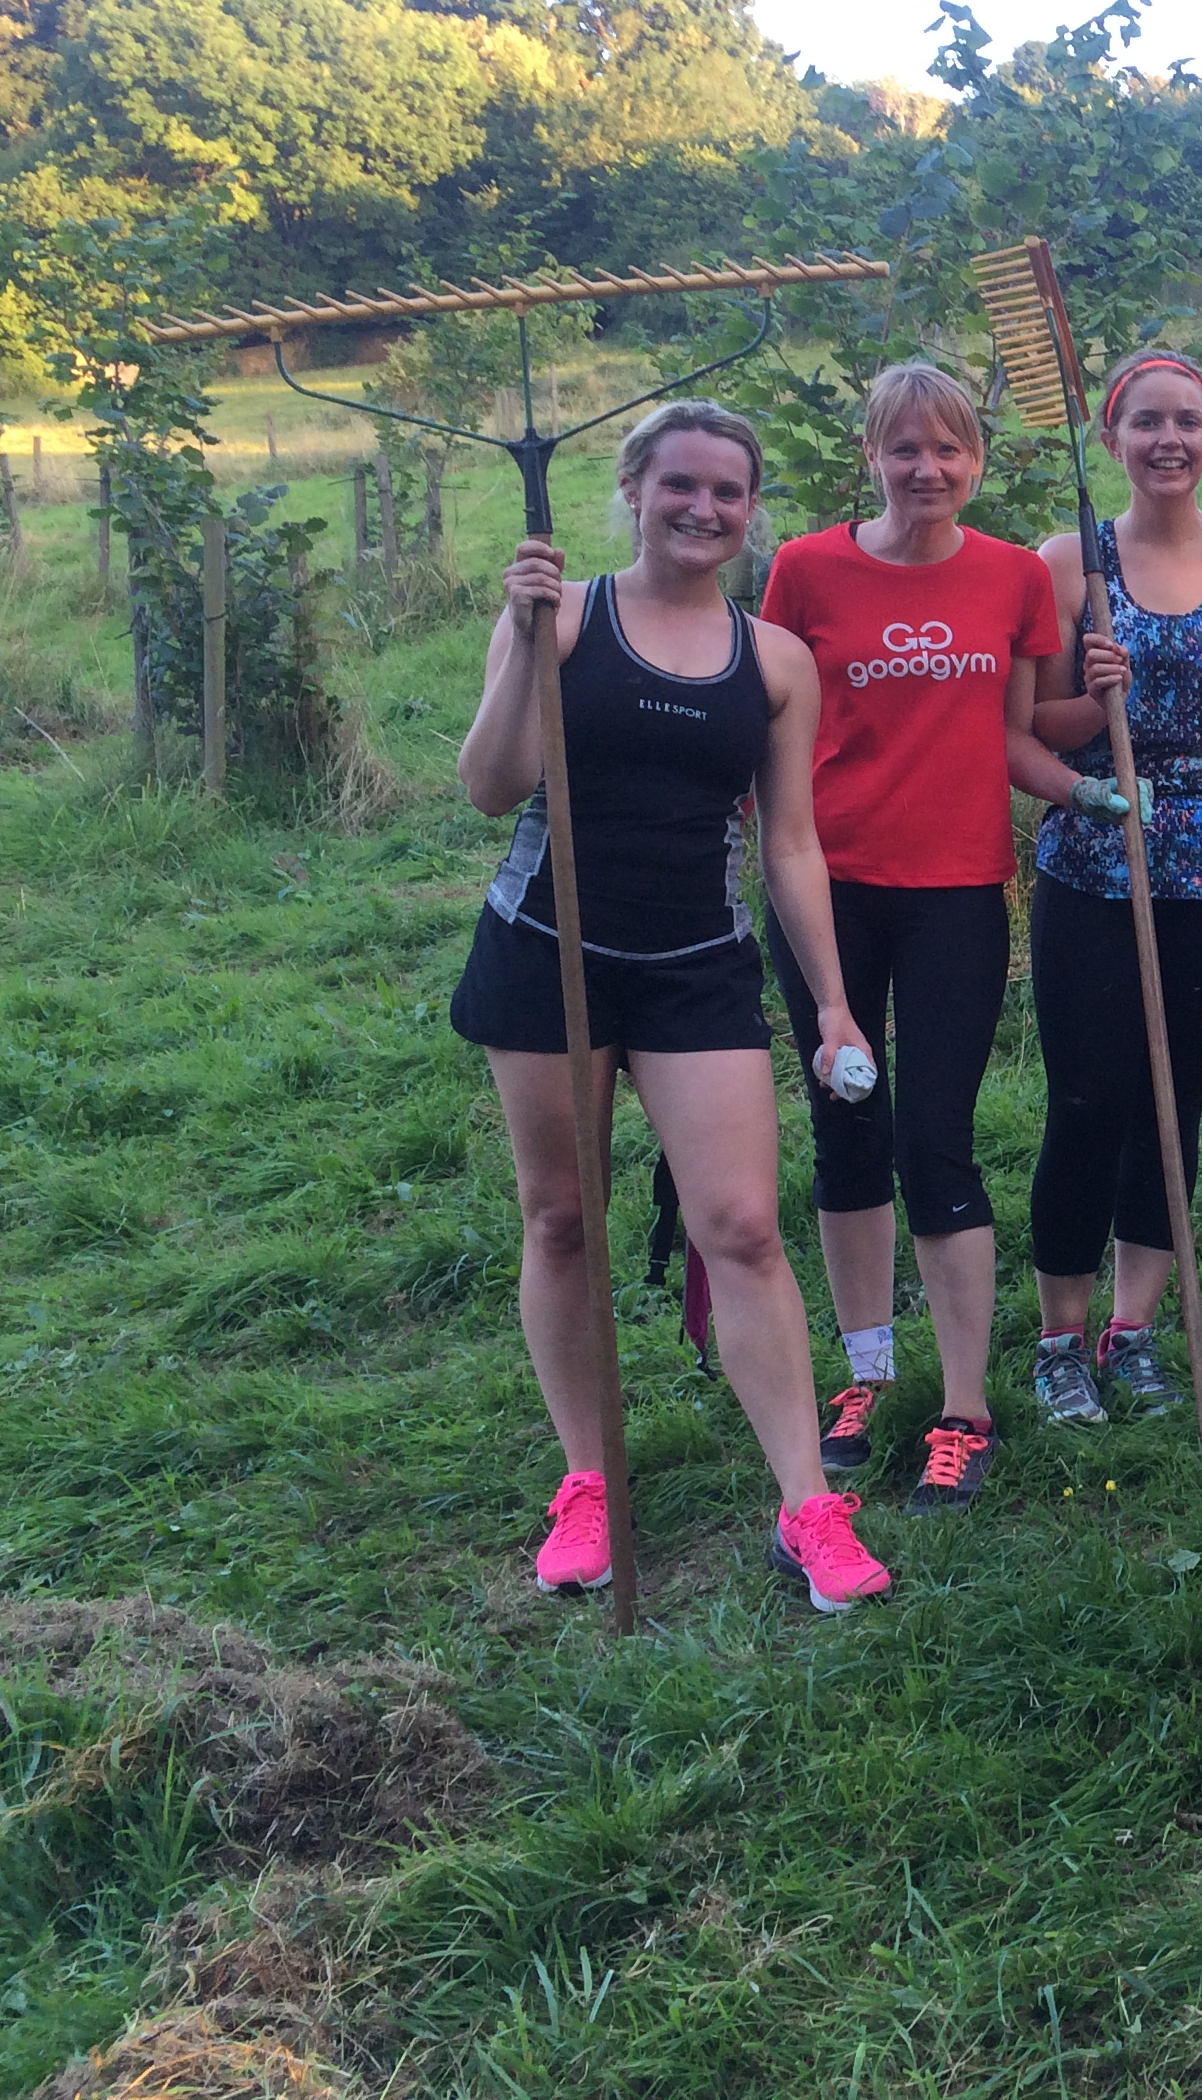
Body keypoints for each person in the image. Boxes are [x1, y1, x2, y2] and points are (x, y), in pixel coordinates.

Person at [450, 398, 891, 1612]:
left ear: (751, 512)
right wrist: (518, 633)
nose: (703, 509)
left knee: (745, 1225)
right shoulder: (568, 615)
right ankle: (588, 1481)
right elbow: (491, 788)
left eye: (727, 493)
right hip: (548, 948)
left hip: (698, 961)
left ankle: (808, 1507)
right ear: (634, 491)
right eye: (679, 485)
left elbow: (792, 846)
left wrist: (836, 1005)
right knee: (562, 1220)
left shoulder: (774, 661)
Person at [754, 361, 1080, 1510]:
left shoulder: (1011, 580)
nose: (928, 470)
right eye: (905, 449)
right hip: (823, 888)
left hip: (957, 890)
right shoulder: (803, 570)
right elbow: (763, 724)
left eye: (949, 449)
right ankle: (865, 1373)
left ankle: (962, 1406)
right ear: (871, 456)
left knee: (935, 1137)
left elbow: (1018, 735)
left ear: (976, 460)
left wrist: (1094, 755)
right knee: (846, 1125)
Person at [1028, 350, 1202, 1420]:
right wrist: (1094, 700)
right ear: (1111, 437)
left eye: (1188, 421)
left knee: (1171, 1096)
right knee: (1086, 1100)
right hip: (1097, 862)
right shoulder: (1067, 564)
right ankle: (1060, 1339)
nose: (1168, 441)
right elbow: (1028, 731)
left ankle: (1134, 1328)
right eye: (1146, 422)